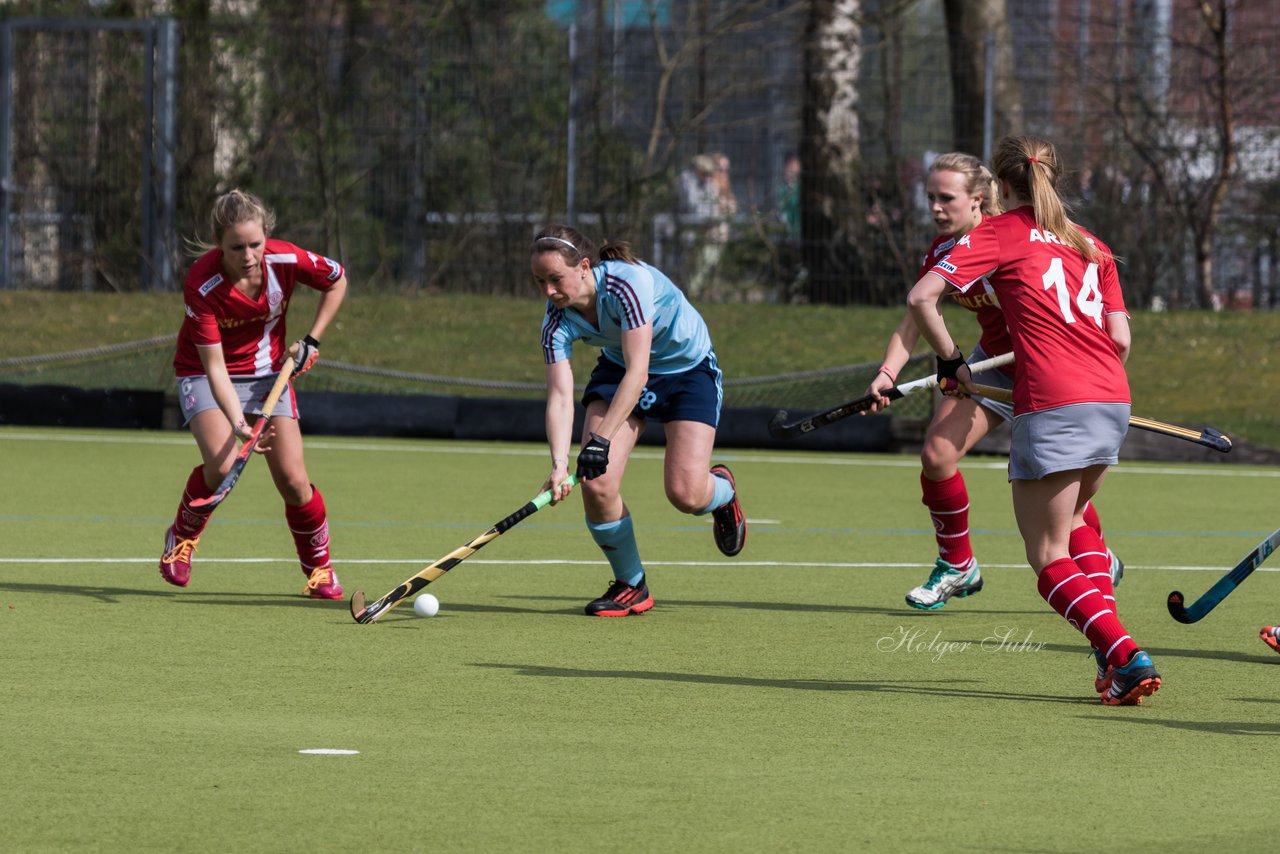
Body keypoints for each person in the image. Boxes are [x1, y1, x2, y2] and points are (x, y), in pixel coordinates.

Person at [905, 135, 1160, 706]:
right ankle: (1112, 657)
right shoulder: (1091, 242)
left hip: (1051, 400)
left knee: (1047, 555)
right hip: (1111, 398)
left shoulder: (998, 232)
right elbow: (1120, 339)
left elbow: (923, 298)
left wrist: (951, 362)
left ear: (999, 186)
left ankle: (1123, 653)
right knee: (1074, 526)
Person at [862, 152, 1123, 612]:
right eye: (930, 198)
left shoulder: (1011, 237)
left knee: (1064, 487)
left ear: (980, 199)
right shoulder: (943, 251)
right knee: (937, 455)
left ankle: (1095, 556)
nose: (936, 208)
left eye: (947, 198)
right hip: (995, 367)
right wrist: (888, 373)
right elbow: (915, 316)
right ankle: (958, 565)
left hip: (1051, 375)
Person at [531, 224, 746, 616]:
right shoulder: (555, 321)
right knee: (595, 485)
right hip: (618, 369)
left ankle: (724, 494)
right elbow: (560, 397)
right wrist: (560, 465)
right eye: (540, 282)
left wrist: (600, 442)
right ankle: (632, 583)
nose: (548, 292)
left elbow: (640, 372)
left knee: (686, 494)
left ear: (583, 267)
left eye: (555, 279)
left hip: (686, 371)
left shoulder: (626, 284)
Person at [159, 189, 349, 599]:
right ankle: (182, 537)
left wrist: (312, 341)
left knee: (295, 481)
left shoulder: (286, 259)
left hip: (270, 375)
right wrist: (239, 424)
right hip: (206, 373)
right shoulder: (202, 283)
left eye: (255, 244)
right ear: (218, 244)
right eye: (236, 247)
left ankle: (319, 569)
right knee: (224, 464)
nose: (248, 255)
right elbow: (214, 368)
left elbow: (337, 280)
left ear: (267, 234)